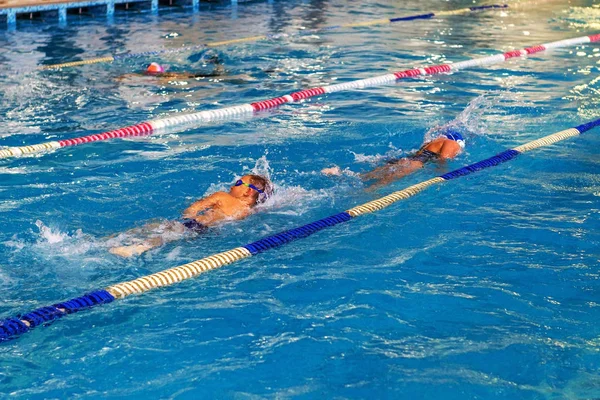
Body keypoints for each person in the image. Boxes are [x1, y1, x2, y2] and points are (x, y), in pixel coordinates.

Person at [109, 174, 273, 257]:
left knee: (159, 229)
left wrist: (188, 215)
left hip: (195, 223)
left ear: (248, 191)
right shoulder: (251, 211)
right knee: (170, 236)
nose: (232, 186)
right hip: (209, 233)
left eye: (238, 183)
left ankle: (135, 247)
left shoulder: (223, 196)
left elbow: (197, 206)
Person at [322, 130, 465, 190]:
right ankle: (365, 194)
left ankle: (337, 173)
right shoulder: (452, 143)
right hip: (416, 163)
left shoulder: (434, 142)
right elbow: (443, 159)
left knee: (365, 177)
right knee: (382, 184)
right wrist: (443, 175)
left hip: (408, 159)